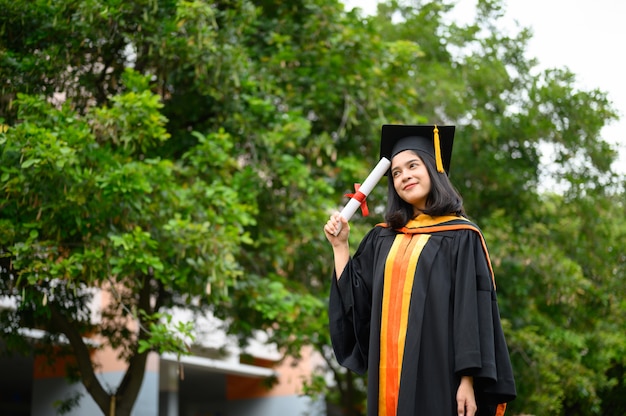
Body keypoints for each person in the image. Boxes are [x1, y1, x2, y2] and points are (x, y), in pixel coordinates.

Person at [324, 125, 516, 416]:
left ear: (432, 168)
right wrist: (340, 247)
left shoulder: (462, 235)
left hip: (440, 376)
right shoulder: (382, 238)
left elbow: (470, 311)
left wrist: (467, 381)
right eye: (397, 172)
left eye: (413, 165)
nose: (404, 176)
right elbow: (357, 303)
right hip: (386, 378)